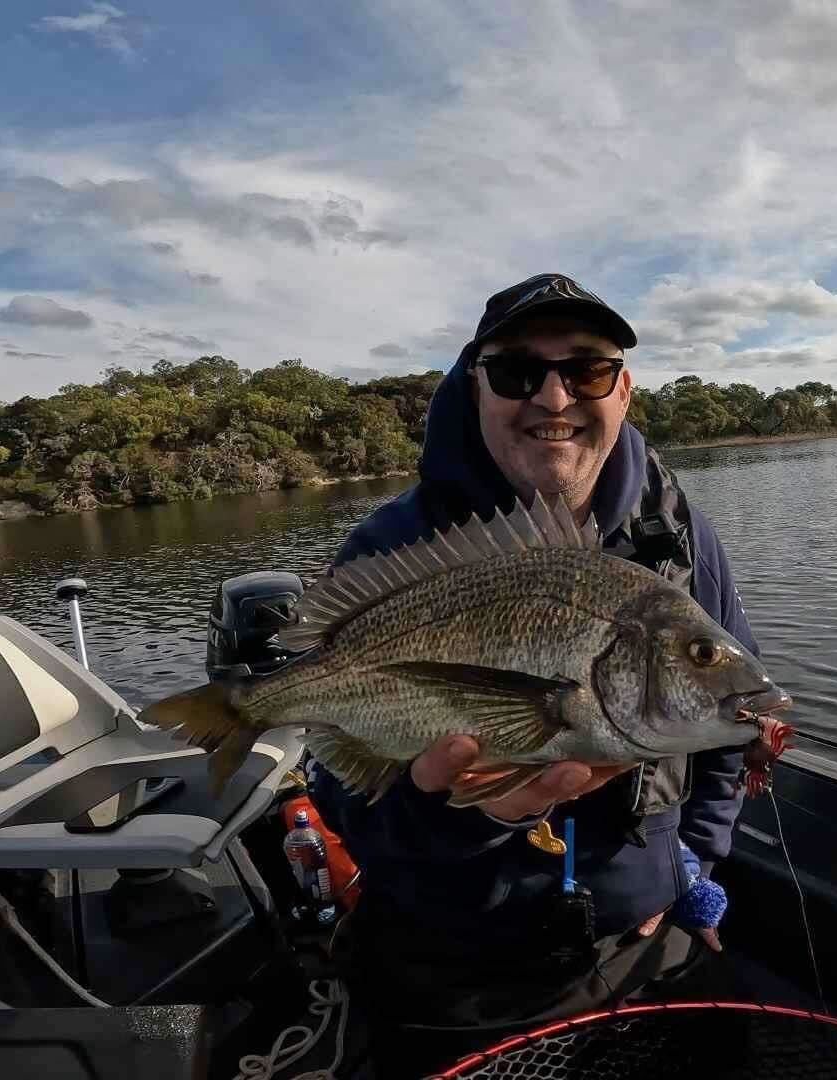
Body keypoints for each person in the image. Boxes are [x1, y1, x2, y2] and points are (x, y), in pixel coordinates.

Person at [308, 273, 761, 1076]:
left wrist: (692, 862)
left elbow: (734, 720)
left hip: (645, 943)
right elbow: (351, 805)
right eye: (518, 372)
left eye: (586, 370)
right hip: (460, 967)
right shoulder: (393, 551)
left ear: (622, 387)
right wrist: (464, 814)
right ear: (474, 384)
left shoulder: (680, 540)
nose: (554, 398)